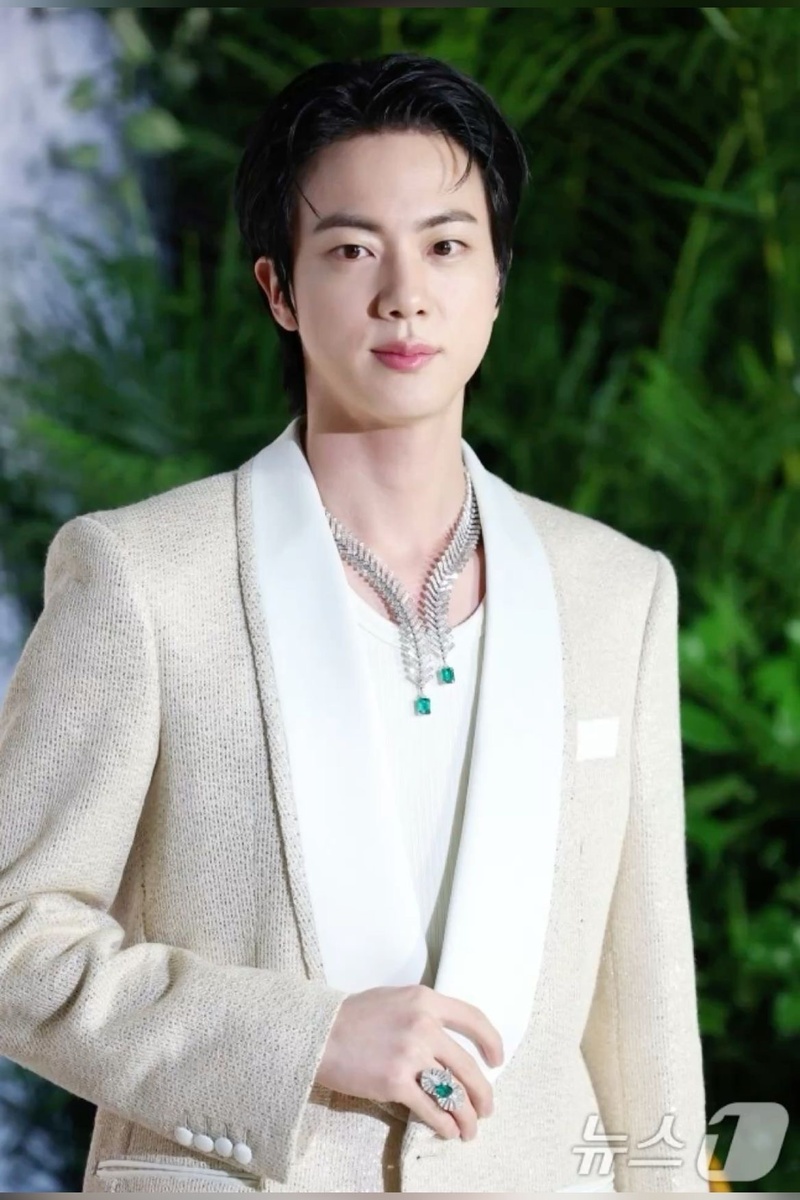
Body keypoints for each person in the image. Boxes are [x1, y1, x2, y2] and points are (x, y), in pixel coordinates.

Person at [0, 52, 709, 1193]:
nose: (403, 294)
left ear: (497, 278)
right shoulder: (141, 577)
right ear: (278, 289)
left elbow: (646, 1007)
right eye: (350, 250)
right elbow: (14, 933)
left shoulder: (616, 592)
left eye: (446, 245)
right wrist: (304, 1038)